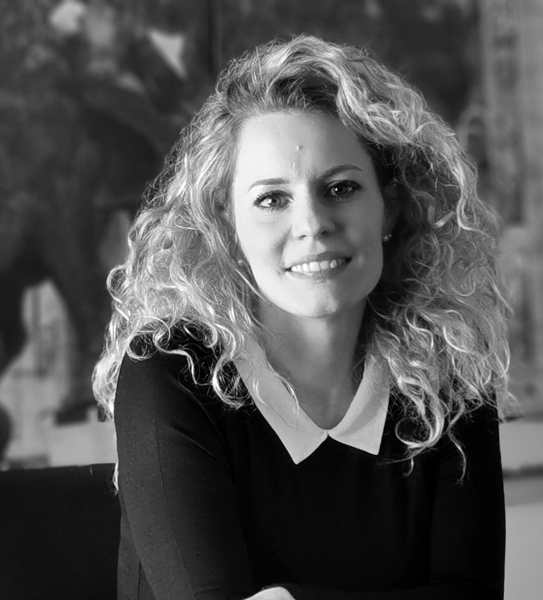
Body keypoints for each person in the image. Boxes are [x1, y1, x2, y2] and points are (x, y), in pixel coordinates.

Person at [93, 35, 511, 600]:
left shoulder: (450, 374)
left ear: (389, 208)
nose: (312, 224)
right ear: (228, 225)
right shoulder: (168, 370)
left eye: (341, 188)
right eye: (272, 199)